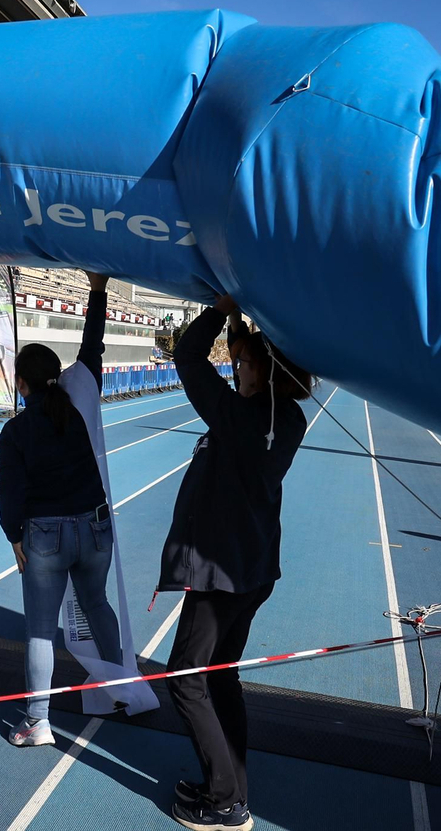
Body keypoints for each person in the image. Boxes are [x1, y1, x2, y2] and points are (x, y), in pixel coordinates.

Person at [159, 294, 313, 831]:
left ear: (265, 372)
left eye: (243, 362)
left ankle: (225, 802)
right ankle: (230, 784)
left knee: (185, 677)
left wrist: (216, 309)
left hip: (220, 572)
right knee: (222, 676)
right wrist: (239, 325)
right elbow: (238, 367)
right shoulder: (287, 418)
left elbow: (186, 358)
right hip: (252, 570)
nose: (235, 366)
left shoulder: (237, 417)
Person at [0, 271, 131, 746]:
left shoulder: (14, 431)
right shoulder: (76, 400)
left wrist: (14, 536)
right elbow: (91, 349)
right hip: (95, 526)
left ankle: (37, 720)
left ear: (22, 382)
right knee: (96, 604)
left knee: (39, 628)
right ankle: (118, 691)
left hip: (46, 534)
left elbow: (9, 493)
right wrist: (97, 290)